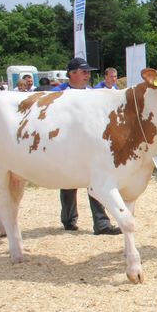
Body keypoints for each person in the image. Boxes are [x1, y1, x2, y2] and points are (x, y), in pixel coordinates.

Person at [53, 57, 121, 236]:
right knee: (68, 182)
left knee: (95, 182)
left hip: (91, 145)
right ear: (72, 74)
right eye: (84, 72)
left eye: (88, 72)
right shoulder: (57, 93)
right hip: (66, 144)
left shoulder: (93, 93)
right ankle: (68, 219)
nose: (87, 75)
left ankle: (101, 223)